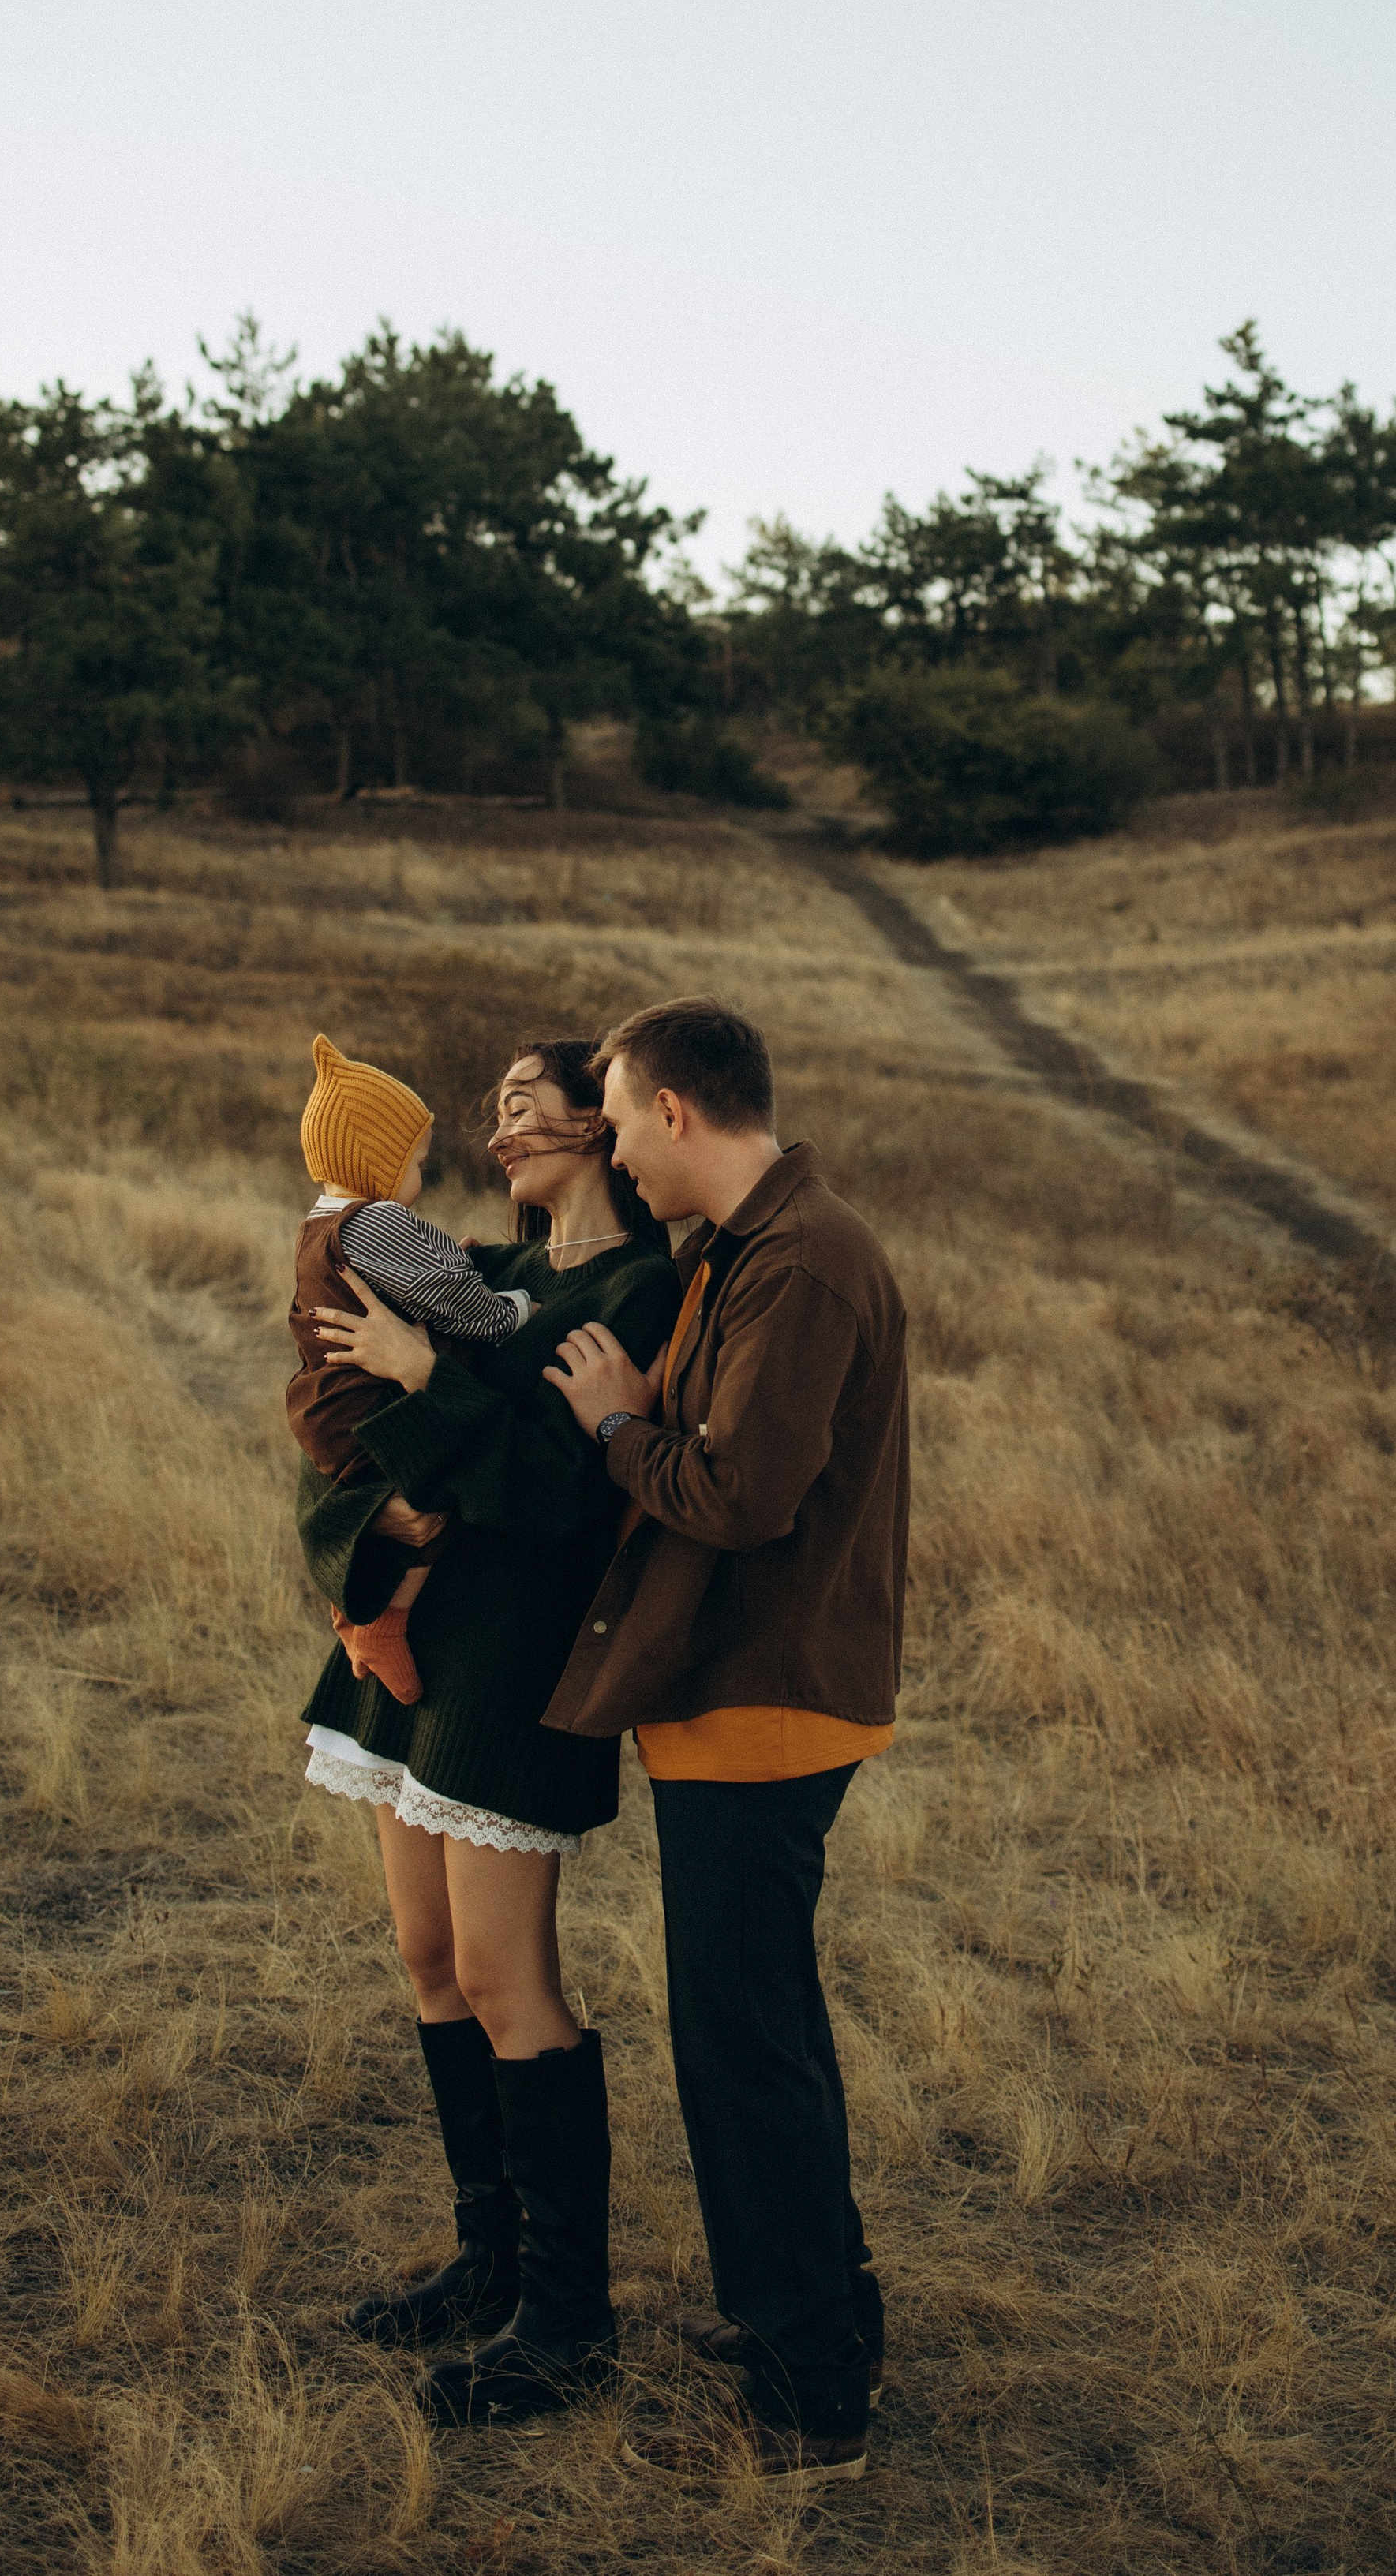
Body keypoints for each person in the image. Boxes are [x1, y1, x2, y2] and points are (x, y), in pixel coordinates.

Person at [542, 995, 910, 2489]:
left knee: (745, 2049)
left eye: (620, 1118)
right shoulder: (754, 1252)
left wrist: (620, 1429)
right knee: (756, 2037)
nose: (615, 1150)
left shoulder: (804, 1264)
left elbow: (744, 1494)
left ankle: (810, 2395)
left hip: (767, 1695)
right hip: (737, 1695)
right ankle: (807, 2323)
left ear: (679, 1112)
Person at [296, 1038, 680, 2428]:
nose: (501, 1124)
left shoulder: (641, 1288)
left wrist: (424, 1379)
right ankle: (489, 2259)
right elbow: (332, 1444)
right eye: (495, 1107)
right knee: (427, 1956)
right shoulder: (483, 1273)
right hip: (411, 1650)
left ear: (601, 1119)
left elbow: (566, 1497)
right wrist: (375, 1516)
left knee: (511, 1978)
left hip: (519, 1660)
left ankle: (569, 2321)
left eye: (530, 1102)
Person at [288, 1030, 541, 1706]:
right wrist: (516, 1308)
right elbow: (462, 1305)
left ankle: (363, 1613)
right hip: (375, 1410)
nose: (420, 1179)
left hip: (333, 1410)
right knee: (441, 1488)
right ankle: (381, 1618)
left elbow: (419, 1280)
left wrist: (441, 1268)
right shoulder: (378, 1221)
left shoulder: (323, 1225)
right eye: (417, 1161)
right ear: (376, 1163)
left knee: (417, 1501)